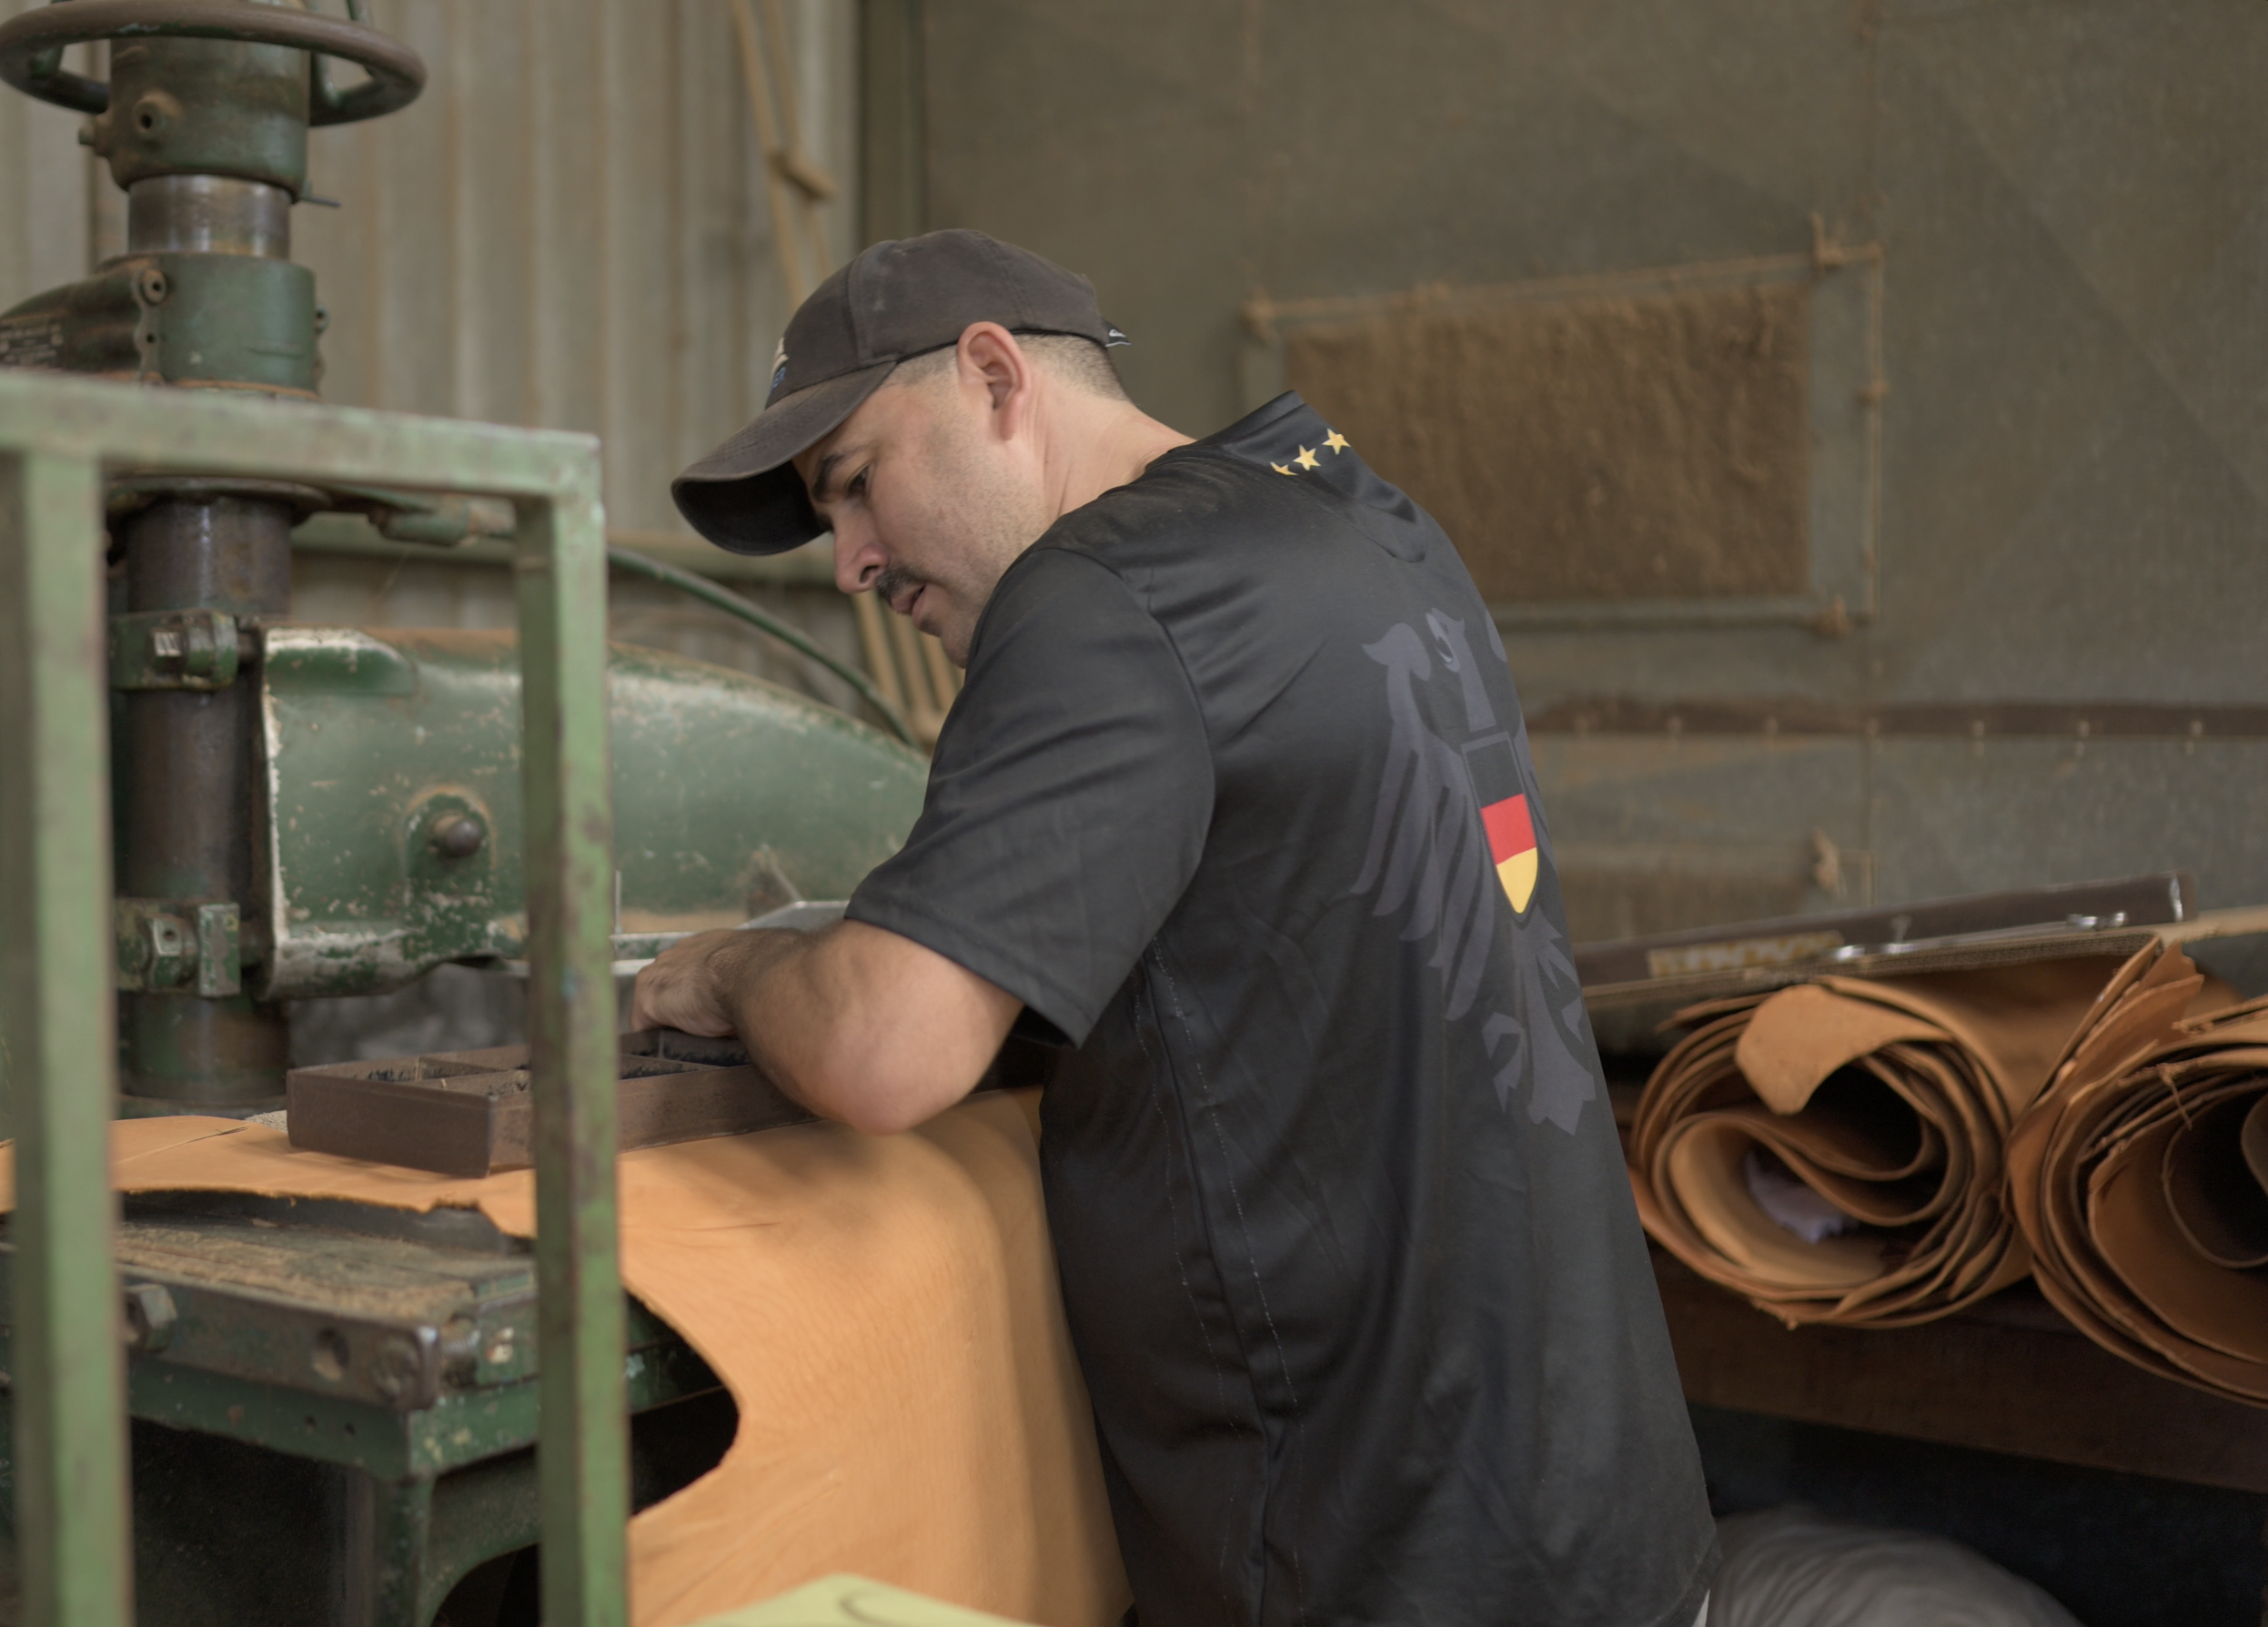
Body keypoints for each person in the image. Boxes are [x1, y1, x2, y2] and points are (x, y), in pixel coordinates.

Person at [638, 228, 1715, 1627]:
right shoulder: (1354, 516)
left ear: (993, 378)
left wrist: (739, 968)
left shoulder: (1104, 592)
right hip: (1595, 1516)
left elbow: (884, 1052)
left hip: (1378, 1561)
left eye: (855, 483)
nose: (852, 562)